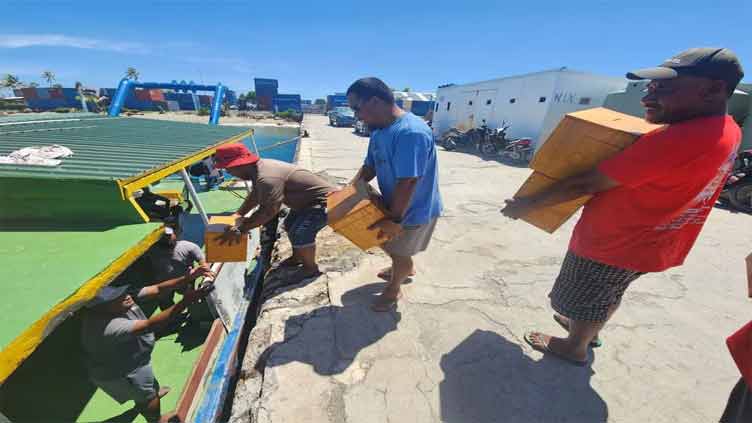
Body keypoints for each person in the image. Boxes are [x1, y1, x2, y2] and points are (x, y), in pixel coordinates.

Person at [502, 47, 744, 365]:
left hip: (614, 243)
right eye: (650, 87)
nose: (647, 97)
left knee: (582, 296)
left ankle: (575, 345)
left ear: (713, 89)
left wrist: (528, 204)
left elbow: (585, 183)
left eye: (664, 88)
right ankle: (588, 327)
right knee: (608, 294)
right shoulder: (728, 129)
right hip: (657, 241)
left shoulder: (677, 139)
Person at [347, 77, 443, 311]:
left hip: (412, 210)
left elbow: (408, 181)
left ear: (376, 101)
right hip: (394, 205)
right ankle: (404, 267)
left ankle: (393, 289)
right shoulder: (379, 130)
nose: (356, 116)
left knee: (399, 252)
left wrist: (394, 219)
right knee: (388, 244)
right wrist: (349, 191)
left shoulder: (411, 132)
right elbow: (370, 165)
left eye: (356, 108)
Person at [81, 268, 213, 422]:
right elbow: (150, 325)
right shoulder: (107, 327)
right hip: (123, 371)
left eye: (121, 292)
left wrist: (189, 277)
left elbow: (157, 288)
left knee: (148, 386)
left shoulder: (121, 301)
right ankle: (155, 417)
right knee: (146, 397)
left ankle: (151, 394)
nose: (127, 295)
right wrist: (185, 302)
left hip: (135, 360)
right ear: (101, 309)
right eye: (117, 297)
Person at [213, 143, 336, 278]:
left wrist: (240, 229)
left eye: (228, 169)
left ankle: (310, 268)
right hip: (306, 204)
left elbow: (269, 211)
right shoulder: (258, 170)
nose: (229, 173)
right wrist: (239, 214)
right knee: (289, 225)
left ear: (239, 165)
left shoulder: (267, 177)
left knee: (300, 232)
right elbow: (255, 194)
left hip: (326, 204)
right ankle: (297, 258)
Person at [146, 226, 208, 310]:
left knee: (191, 301)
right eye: (162, 236)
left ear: (174, 234)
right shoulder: (151, 250)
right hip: (164, 285)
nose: (166, 238)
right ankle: (174, 321)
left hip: (185, 281)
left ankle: (193, 313)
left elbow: (202, 261)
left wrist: (205, 273)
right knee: (166, 306)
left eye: (168, 235)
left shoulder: (188, 246)